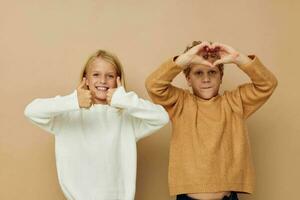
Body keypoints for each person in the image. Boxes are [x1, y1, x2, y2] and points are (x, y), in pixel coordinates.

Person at [24, 49, 169, 200]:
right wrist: (73, 101)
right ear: (85, 79)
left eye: (110, 76)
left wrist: (124, 100)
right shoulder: (68, 115)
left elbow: (161, 117)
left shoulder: (127, 118)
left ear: (117, 80)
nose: (103, 81)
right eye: (96, 74)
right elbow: (31, 111)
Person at [145, 41, 278, 200]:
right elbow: (153, 85)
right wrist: (185, 59)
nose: (206, 79)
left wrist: (238, 59)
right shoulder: (180, 103)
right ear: (188, 78)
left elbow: (268, 84)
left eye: (212, 72)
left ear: (221, 77)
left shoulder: (235, 102)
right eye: (198, 73)